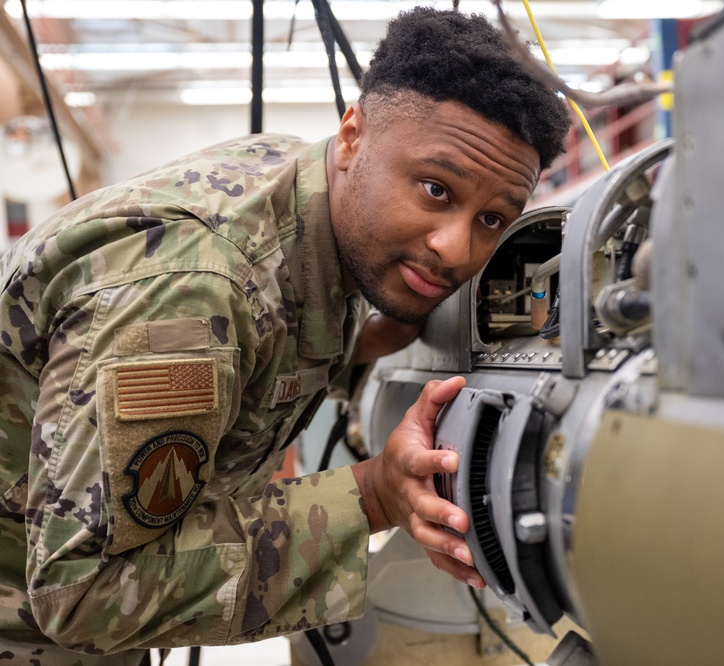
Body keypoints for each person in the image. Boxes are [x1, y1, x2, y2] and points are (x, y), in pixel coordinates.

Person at [0, 7, 570, 663]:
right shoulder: (189, 291)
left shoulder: (305, 191)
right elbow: (87, 593)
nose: (454, 249)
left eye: (494, 219)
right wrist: (374, 494)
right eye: (436, 189)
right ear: (353, 136)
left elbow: (267, 332)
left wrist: (363, 346)